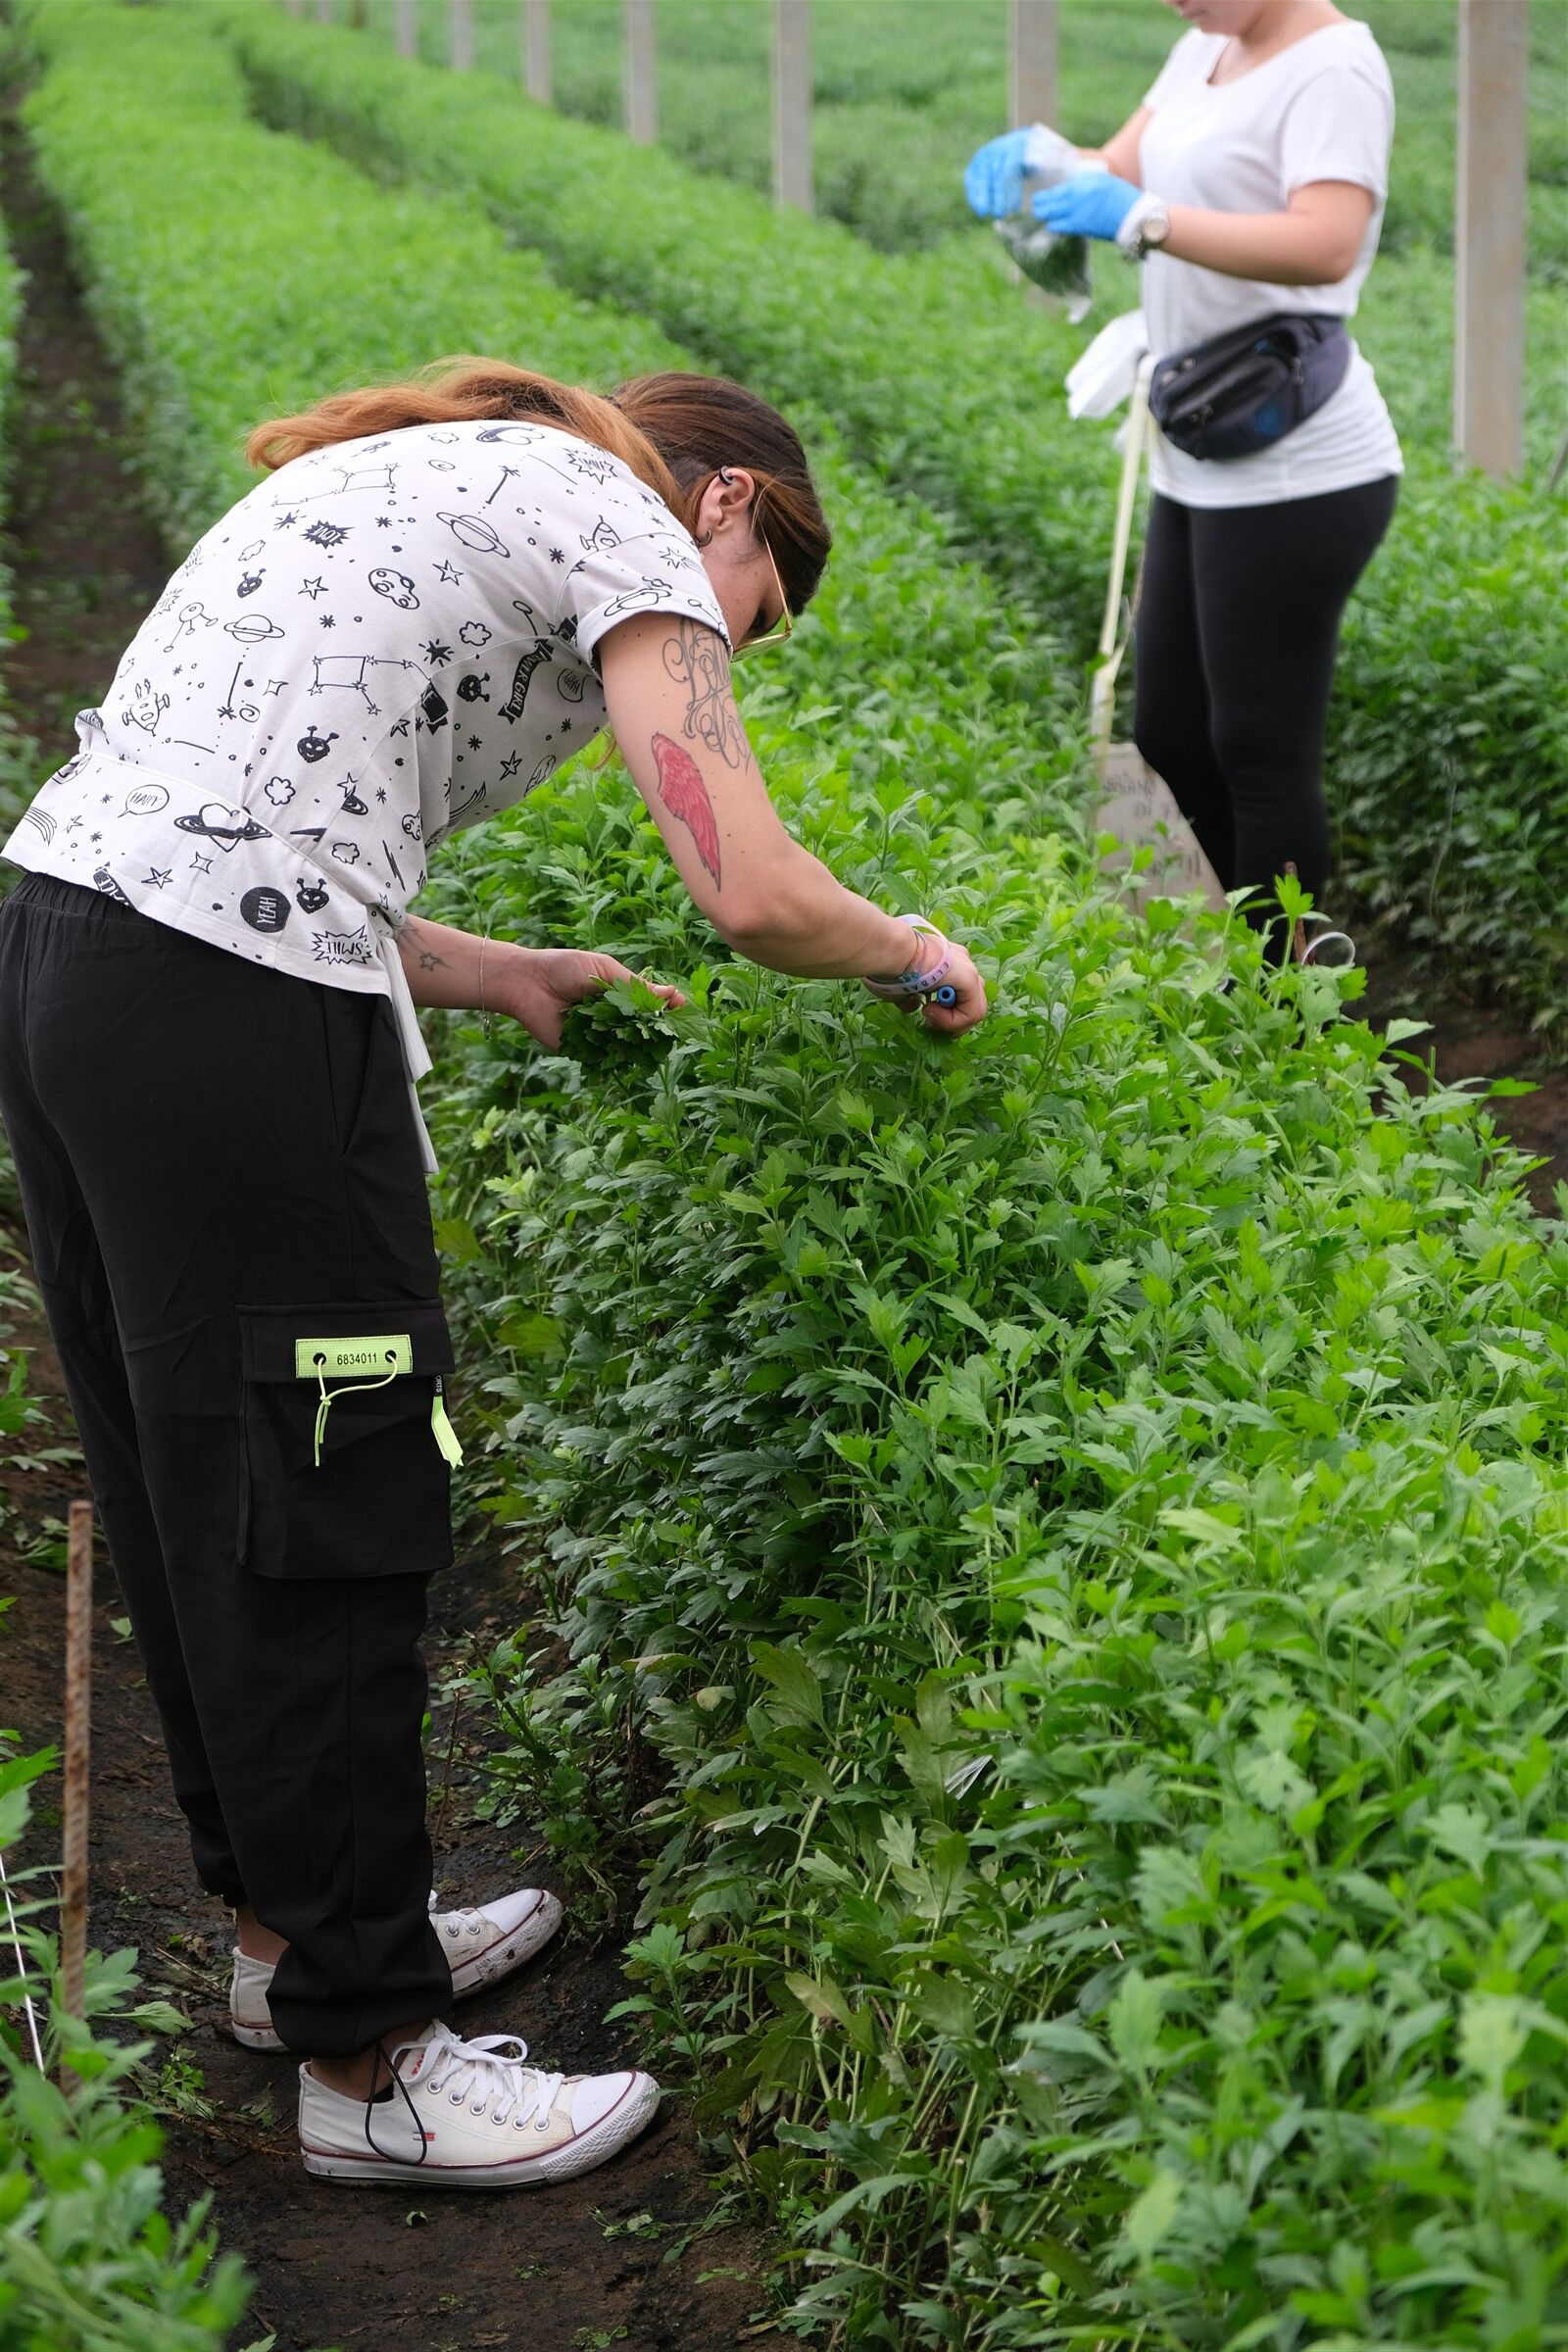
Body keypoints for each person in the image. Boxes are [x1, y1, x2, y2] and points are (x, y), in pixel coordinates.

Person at [0, 360, 987, 2189]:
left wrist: (507, 968)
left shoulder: (440, 475)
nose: (721, 647)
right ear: (735, 512)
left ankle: (302, 1945)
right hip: (231, 1007)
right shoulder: (627, 523)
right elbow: (751, 887)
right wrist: (912, 952)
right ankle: (377, 2070)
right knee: (332, 1495)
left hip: (75, 954)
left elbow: (261, 820)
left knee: (201, 1479)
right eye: (746, 624)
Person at [967, 0, 1401, 950]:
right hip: (1200, 439)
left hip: (1298, 464)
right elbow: (1114, 168)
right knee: (1167, 730)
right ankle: (1266, 950)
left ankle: (1289, 1001)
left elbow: (1326, 240)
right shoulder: (1204, 44)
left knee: (1256, 747)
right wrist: (1042, 167)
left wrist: (1148, 220)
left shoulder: (1333, 66)